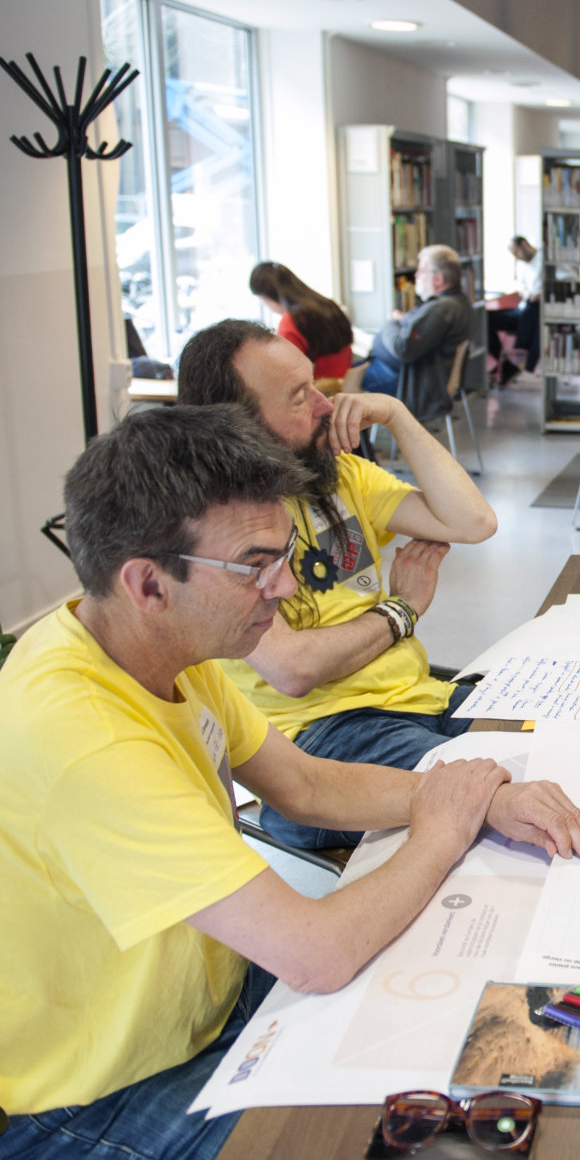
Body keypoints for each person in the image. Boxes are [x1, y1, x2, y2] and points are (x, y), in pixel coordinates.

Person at [0, 405, 580, 1160]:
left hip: (189, 1011)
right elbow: (318, 954)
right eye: (254, 565)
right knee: (401, 1150)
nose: (283, 587)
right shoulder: (81, 734)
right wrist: (443, 826)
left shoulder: (164, 646)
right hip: (64, 1099)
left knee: (475, 1060)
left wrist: (480, 798)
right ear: (147, 584)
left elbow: (304, 783)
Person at [176, 321, 497, 848]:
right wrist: (403, 610)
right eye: (300, 397)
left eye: (317, 387)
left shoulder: (339, 476)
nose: (328, 407)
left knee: (552, 738)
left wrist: (396, 414)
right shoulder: (220, 526)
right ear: (239, 425)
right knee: (493, 785)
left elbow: (474, 523)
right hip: (316, 741)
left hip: (419, 701)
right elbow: (293, 669)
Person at [364, 246, 480, 419]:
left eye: (421, 271)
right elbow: (424, 332)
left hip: (418, 387)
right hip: (430, 382)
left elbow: (403, 349)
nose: (416, 276)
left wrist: (391, 321)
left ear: (439, 279)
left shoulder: (441, 310)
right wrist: (405, 321)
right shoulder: (459, 302)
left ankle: (361, 445)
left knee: (350, 384)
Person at [249, 261, 354, 383]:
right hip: (342, 385)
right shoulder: (328, 305)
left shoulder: (291, 322)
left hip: (320, 392)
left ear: (268, 297)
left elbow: (289, 372)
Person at [489, 235, 544, 387]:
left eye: (516, 253)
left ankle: (517, 360)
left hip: (536, 309)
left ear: (524, 245)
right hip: (523, 311)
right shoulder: (522, 266)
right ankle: (502, 359)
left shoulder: (544, 260)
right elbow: (524, 288)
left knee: (535, 315)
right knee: (487, 318)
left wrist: (540, 295)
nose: (517, 257)